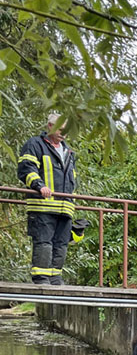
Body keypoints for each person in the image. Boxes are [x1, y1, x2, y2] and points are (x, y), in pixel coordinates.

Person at [17, 113, 77, 285]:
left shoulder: (68, 151)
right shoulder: (35, 145)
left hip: (64, 207)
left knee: (61, 244)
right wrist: (38, 185)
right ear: (50, 126)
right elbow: (26, 169)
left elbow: (72, 179)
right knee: (44, 242)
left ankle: (55, 277)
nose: (63, 133)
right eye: (60, 129)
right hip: (42, 205)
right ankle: (42, 278)